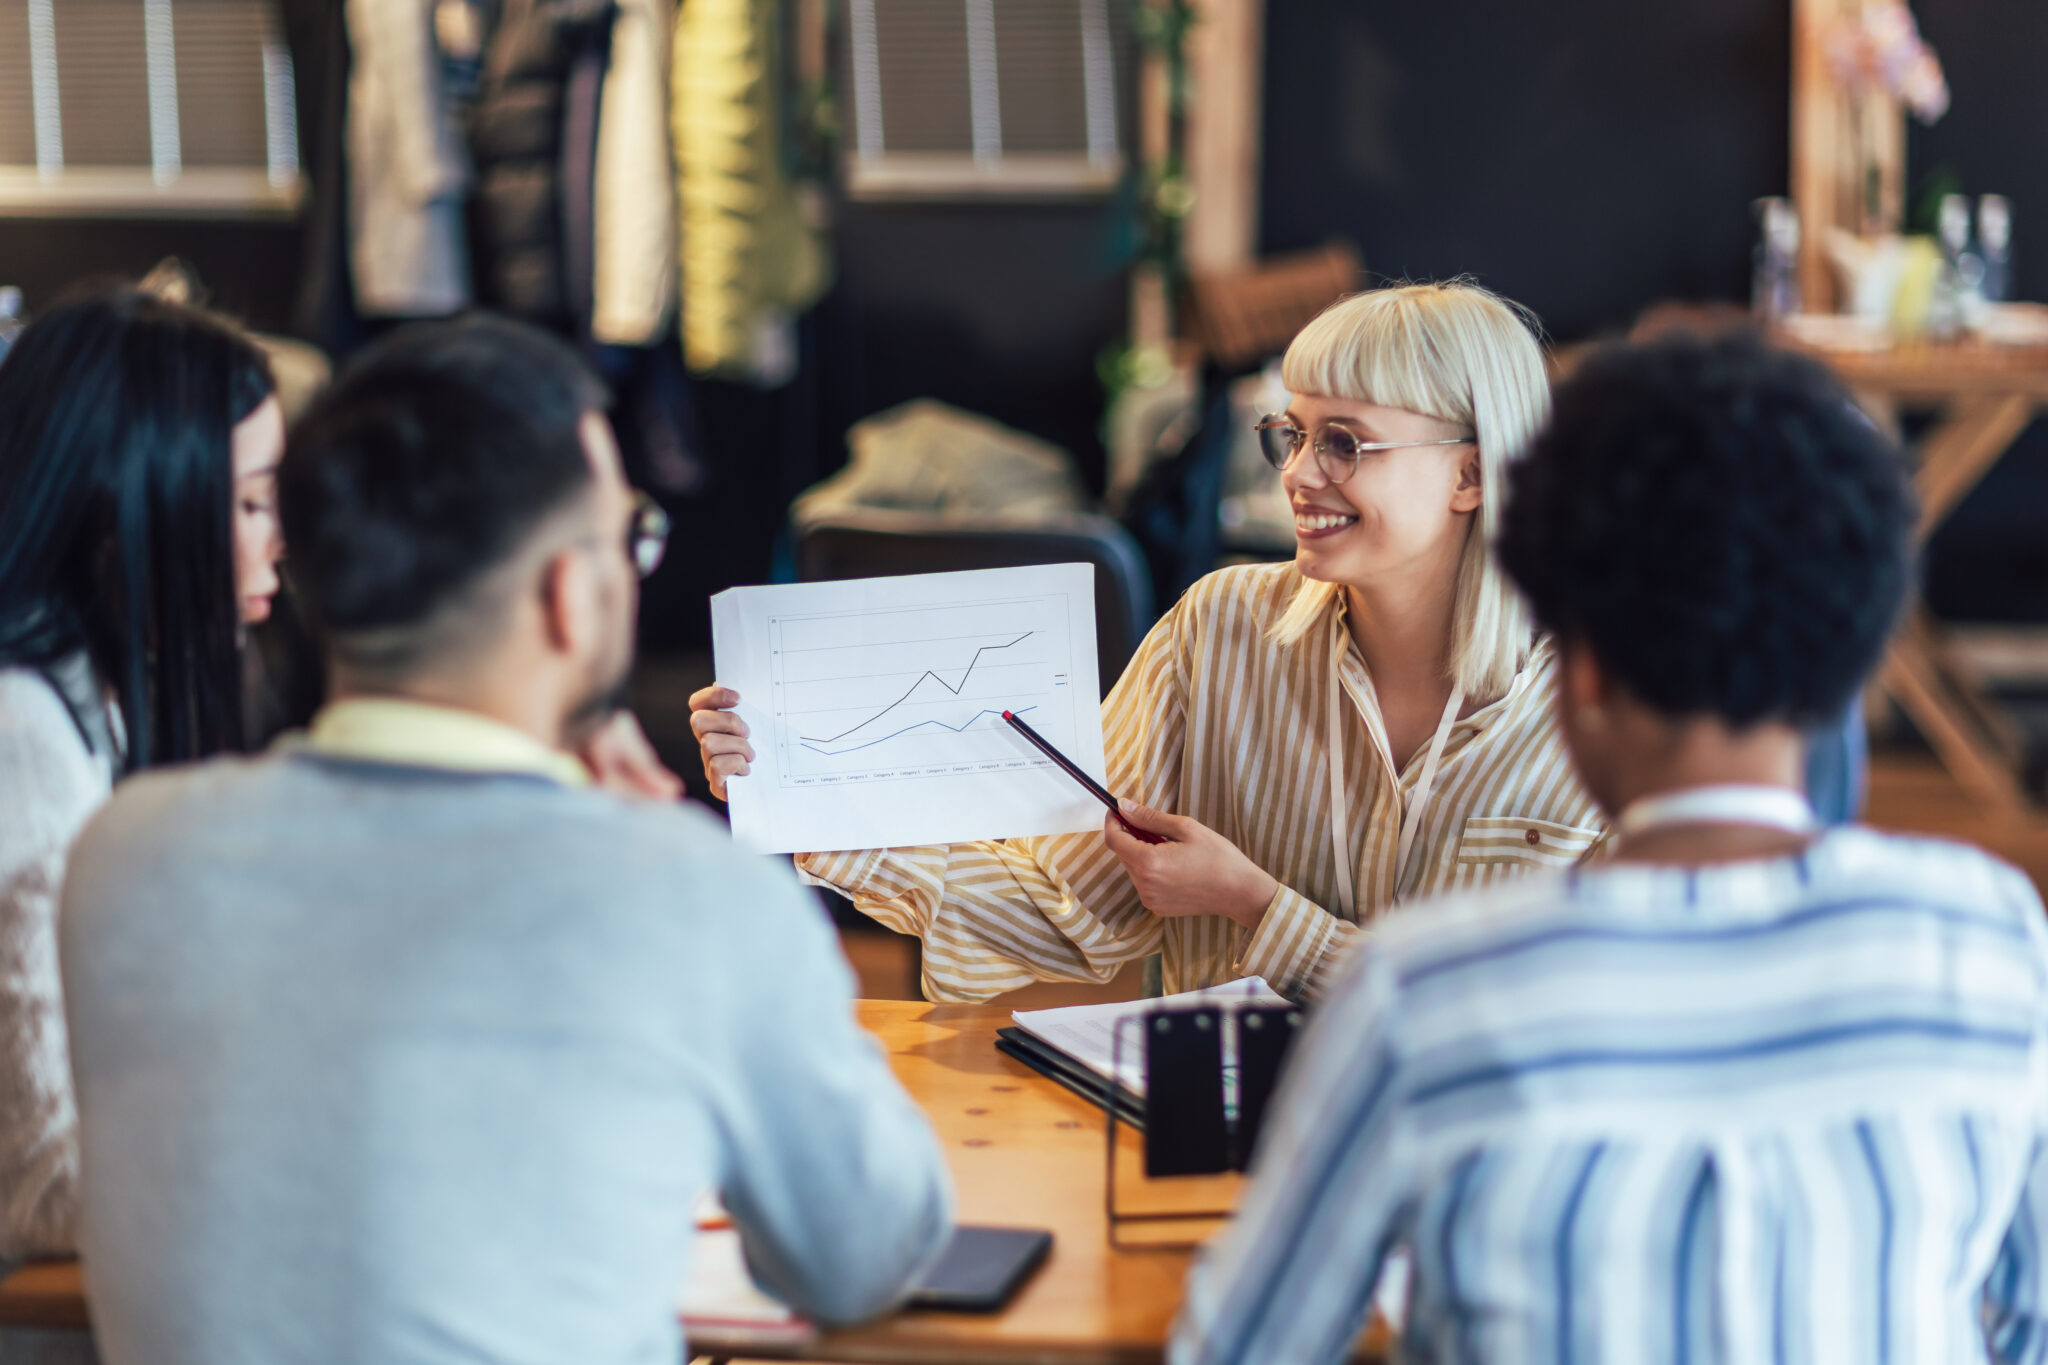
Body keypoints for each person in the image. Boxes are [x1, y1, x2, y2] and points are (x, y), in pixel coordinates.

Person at [60, 315, 953, 1365]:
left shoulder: (124, 854)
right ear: (570, 597)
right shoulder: (689, 901)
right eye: (631, 535)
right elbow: (866, 1253)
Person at [1167, 334, 2048, 1365]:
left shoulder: (1424, 993)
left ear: (1574, 667)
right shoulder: (1985, 941)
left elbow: (1238, 1350)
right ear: (1854, 660)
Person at [693, 281, 1604, 1002]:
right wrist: (806, 799)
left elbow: (1535, 1031)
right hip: (1215, 1151)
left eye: (1344, 443)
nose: (1296, 474)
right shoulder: (1217, 634)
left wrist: (1252, 902)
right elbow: (1059, 907)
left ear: (1472, 474)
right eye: (1289, 435)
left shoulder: (1598, 713)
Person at [0, 289, 284, 1262]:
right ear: (127, 507)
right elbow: (36, 1182)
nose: (276, 538)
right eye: (249, 501)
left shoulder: (106, 704)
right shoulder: (25, 739)